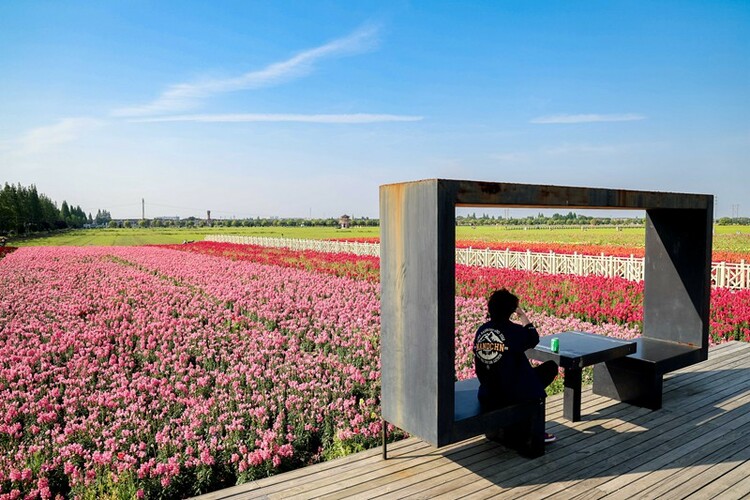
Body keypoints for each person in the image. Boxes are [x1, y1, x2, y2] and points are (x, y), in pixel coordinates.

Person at [473, 288, 558, 444]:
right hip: (510, 392)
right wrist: (522, 314)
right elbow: (533, 338)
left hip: (488, 391)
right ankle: (534, 432)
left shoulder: (482, 330)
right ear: (511, 310)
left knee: (518, 371)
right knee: (550, 367)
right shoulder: (514, 331)